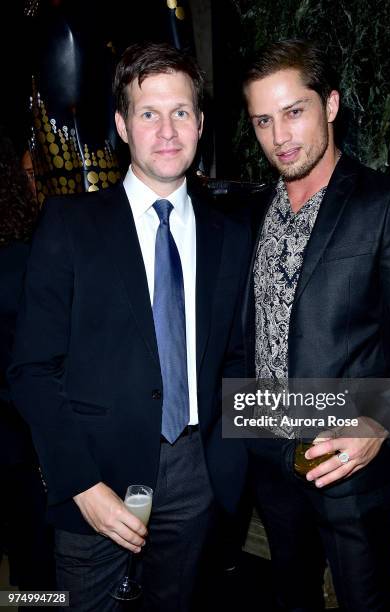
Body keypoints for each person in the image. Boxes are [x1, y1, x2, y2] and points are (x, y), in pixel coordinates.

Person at [8, 41, 250, 611]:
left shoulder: (231, 236)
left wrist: (224, 470)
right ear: (121, 125)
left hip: (196, 475)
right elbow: (31, 371)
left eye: (181, 112)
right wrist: (80, 484)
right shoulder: (69, 226)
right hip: (97, 474)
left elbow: (235, 358)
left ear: (200, 122)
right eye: (148, 113)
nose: (167, 129)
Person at [241, 39, 390, 611]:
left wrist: (378, 423)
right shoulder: (255, 210)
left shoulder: (386, 202)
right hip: (271, 463)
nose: (279, 137)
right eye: (263, 120)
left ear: (330, 104)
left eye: (294, 111)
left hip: (351, 464)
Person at [0, 129, 55, 594]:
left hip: (17, 434)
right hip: (19, 433)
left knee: (30, 560)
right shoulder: (26, 257)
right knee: (32, 558)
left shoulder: (25, 257)